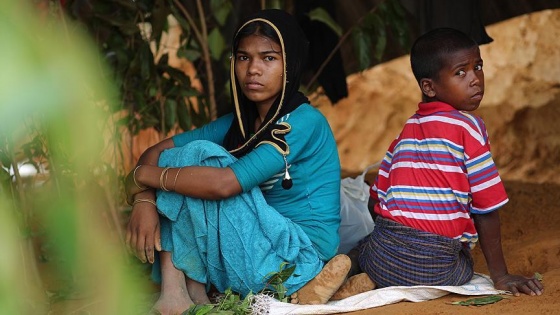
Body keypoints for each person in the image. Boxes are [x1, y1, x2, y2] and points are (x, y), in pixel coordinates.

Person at [125, 9, 359, 314]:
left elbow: (224, 184)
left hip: (295, 262)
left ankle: (180, 292)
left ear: (291, 64)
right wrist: (143, 199)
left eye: (269, 58)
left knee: (198, 157)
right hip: (253, 251)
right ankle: (182, 293)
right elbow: (157, 152)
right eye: (244, 57)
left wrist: (141, 177)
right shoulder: (235, 125)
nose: (253, 70)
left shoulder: (303, 122)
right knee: (181, 159)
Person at [356, 28, 544, 296]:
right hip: (439, 270)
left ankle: (358, 270)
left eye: (478, 67)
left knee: (366, 246)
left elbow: (375, 198)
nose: (475, 79)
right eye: (461, 72)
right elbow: (486, 207)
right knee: (463, 257)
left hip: (382, 261)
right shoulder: (469, 128)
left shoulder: (407, 129)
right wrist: (500, 275)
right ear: (429, 87)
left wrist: (396, 244)